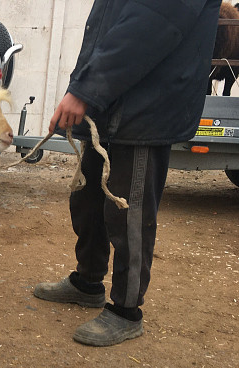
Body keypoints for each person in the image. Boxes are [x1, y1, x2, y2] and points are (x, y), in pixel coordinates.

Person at [34, 0, 222, 346]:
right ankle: (88, 281)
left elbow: (150, 25)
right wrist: (84, 88)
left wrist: (84, 90)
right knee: (87, 199)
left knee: (128, 212)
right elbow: (106, 28)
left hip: (145, 108)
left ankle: (126, 310)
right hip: (110, 102)